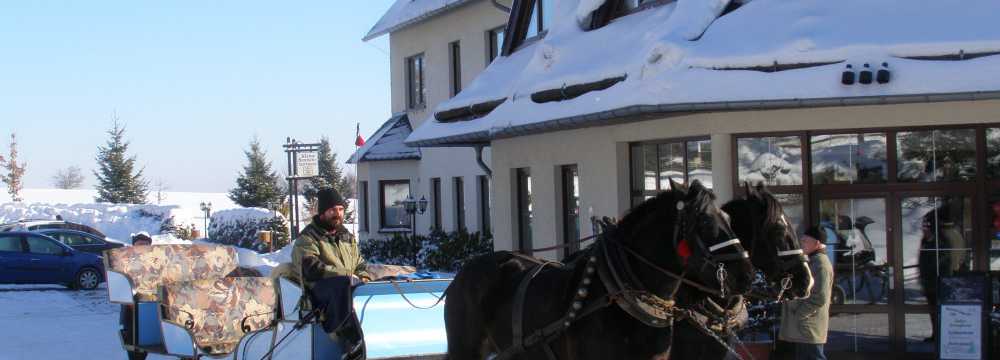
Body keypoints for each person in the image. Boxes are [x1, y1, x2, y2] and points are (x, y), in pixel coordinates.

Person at [291, 187, 370, 359]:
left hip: (347, 286)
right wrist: (345, 275)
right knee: (343, 284)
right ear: (322, 213)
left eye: (340, 209)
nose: (338, 214)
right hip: (319, 291)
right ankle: (350, 340)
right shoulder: (308, 237)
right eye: (333, 210)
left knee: (374, 286)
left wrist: (364, 277)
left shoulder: (346, 237)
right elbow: (310, 267)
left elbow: (360, 264)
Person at [776, 226, 834, 360]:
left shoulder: (820, 264)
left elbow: (820, 297)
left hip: (808, 328)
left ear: (817, 243)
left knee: (814, 357)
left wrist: (799, 315)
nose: (801, 243)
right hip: (803, 328)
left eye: (805, 241)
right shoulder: (812, 260)